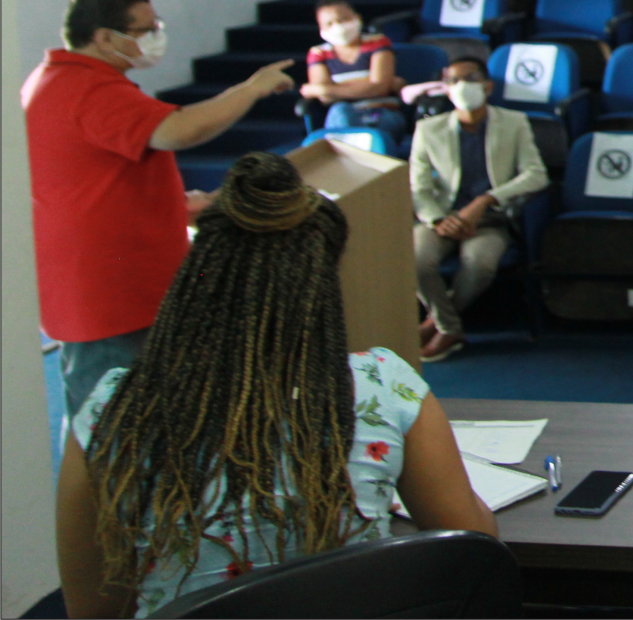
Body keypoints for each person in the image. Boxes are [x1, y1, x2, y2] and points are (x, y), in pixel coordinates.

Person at [56, 153, 493, 617]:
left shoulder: (113, 410)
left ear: (198, 274)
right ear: (322, 284)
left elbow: (92, 609)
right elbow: (476, 550)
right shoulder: (384, 387)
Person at [24, 0, 296, 419]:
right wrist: (251, 88)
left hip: (97, 280)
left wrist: (175, 205)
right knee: (113, 424)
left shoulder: (56, 79)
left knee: (118, 417)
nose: (155, 38)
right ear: (104, 37)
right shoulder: (89, 88)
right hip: (109, 292)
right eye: (144, 30)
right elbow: (180, 129)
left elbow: (92, 177)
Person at [408, 58, 550, 362]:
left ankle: (437, 323)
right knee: (417, 259)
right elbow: (418, 187)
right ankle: (449, 327)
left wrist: (487, 199)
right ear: (446, 90)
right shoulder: (428, 129)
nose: (462, 86)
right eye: (453, 80)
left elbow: (536, 174)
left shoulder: (514, 122)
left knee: (479, 263)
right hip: (442, 218)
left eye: (470, 78)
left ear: (488, 86)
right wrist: (437, 219)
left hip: (491, 220)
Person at [299, 0, 405, 145]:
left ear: (357, 17)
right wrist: (372, 83)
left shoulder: (378, 42)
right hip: (343, 116)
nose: (338, 27)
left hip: (382, 113)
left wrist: (327, 88)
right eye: (329, 23)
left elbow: (380, 88)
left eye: (343, 19)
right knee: (341, 111)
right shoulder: (319, 53)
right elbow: (325, 98)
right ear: (321, 28)